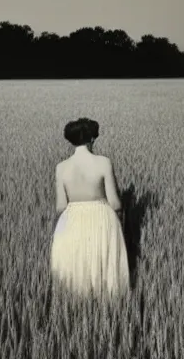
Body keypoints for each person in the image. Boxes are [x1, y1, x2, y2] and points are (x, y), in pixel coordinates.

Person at [50, 117, 130, 300]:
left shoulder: (61, 168)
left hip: (71, 219)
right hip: (102, 217)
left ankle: (76, 305)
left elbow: (61, 206)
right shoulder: (103, 162)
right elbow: (115, 203)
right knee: (103, 269)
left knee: (75, 269)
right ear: (92, 139)